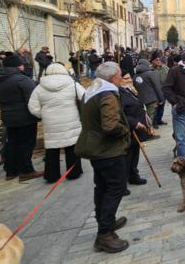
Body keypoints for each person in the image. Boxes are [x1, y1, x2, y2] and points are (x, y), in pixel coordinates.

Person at [74, 62, 130, 253]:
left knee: (103, 186)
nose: (122, 78)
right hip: (108, 150)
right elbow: (110, 126)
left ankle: (105, 221)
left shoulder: (93, 89)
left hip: (96, 147)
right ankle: (104, 234)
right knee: (116, 188)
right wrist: (125, 130)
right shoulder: (108, 94)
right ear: (113, 77)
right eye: (120, 75)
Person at [28, 63, 84, 183]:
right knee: (72, 146)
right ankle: (74, 172)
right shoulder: (72, 83)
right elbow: (85, 96)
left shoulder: (40, 87)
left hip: (50, 122)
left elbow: (32, 107)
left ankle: (52, 175)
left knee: (52, 148)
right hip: (71, 119)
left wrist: (43, 115)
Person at [0, 52, 42, 181]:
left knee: (12, 143)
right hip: (26, 118)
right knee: (27, 143)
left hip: (8, 118)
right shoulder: (23, 80)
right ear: (17, 66)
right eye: (21, 64)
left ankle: (11, 171)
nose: (23, 66)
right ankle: (26, 171)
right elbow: (33, 100)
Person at [119, 73, 149, 186]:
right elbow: (120, 113)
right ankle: (123, 182)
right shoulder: (119, 92)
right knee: (127, 156)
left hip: (137, 129)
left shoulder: (130, 90)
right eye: (126, 78)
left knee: (135, 153)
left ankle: (133, 175)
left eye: (130, 77)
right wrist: (134, 122)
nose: (129, 80)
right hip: (128, 128)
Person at [133, 59, 164, 126]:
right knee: (150, 116)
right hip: (152, 98)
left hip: (140, 99)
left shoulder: (135, 76)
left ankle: (147, 130)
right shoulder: (151, 73)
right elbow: (157, 87)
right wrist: (161, 99)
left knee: (144, 117)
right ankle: (149, 132)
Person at [151, 52, 170, 126]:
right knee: (155, 107)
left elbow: (170, 76)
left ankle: (159, 120)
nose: (158, 61)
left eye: (159, 60)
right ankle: (154, 122)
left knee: (162, 106)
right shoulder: (150, 69)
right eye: (156, 60)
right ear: (152, 61)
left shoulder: (165, 68)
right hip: (154, 91)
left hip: (163, 90)